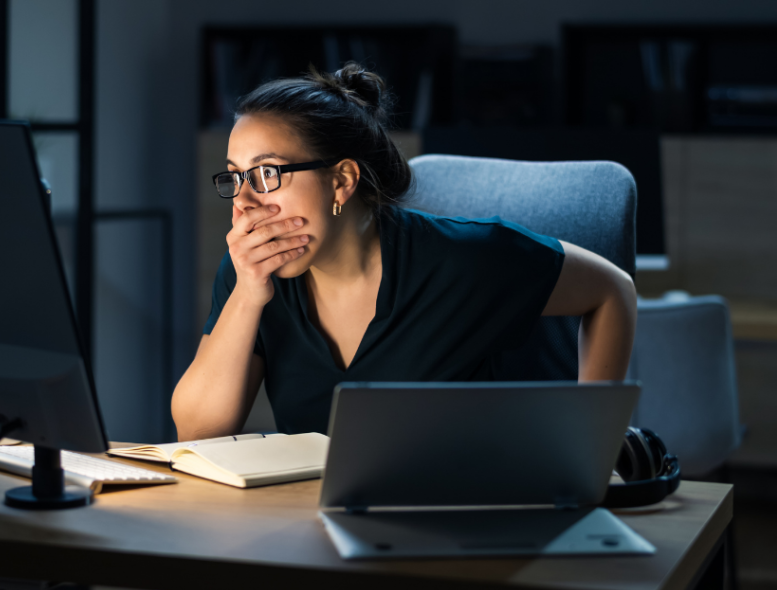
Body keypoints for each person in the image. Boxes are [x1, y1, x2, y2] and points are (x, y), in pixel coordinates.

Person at [172, 62, 637, 441]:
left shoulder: (467, 258)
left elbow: (612, 290)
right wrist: (248, 297)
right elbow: (197, 431)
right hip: (311, 524)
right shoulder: (251, 274)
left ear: (342, 180)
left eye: (267, 174)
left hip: (462, 512)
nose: (245, 202)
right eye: (235, 177)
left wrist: (593, 444)